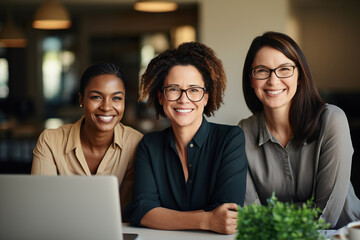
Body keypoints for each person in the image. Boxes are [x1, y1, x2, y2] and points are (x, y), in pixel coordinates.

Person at [239, 31, 360, 229]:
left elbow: (325, 216)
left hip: (343, 234)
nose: (273, 80)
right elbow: (250, 215)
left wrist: (266, 215)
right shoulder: (243, 133)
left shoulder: (332, 120)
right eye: (262, 70)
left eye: (284, 69)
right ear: (251, 79)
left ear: (300, 76)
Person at [124, 42, 248, 234]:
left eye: (194, 90)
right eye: (174, 89)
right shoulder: (149, 145)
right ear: (160, 96)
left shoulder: (230, 139)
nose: (184, 99)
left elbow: (227, 215)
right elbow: (142, 211)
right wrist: (207, 220)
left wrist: (163, 216)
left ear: (206, 97)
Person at [31, 62, 143, 210]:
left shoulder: (137, 143)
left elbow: (136, 207)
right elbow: (40, 203)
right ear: (81, 100)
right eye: (96, 97)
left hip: (119, 232)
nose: (107, 107)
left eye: (116, 98)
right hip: (62, 231)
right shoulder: (51, 141)